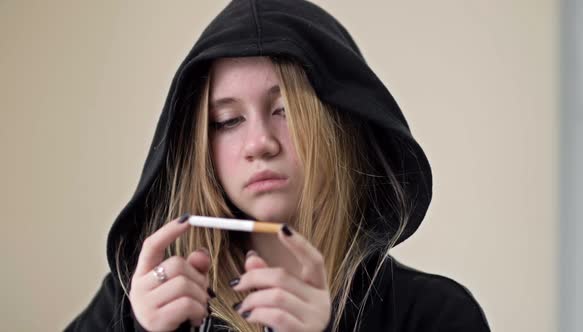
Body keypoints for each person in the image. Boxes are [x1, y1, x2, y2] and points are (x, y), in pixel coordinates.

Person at [66, 0, 491, 331]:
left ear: (339, 127)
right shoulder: (131, 305)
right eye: (227, 121)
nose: (259, 144)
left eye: (285, 110)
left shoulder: (436, 316)